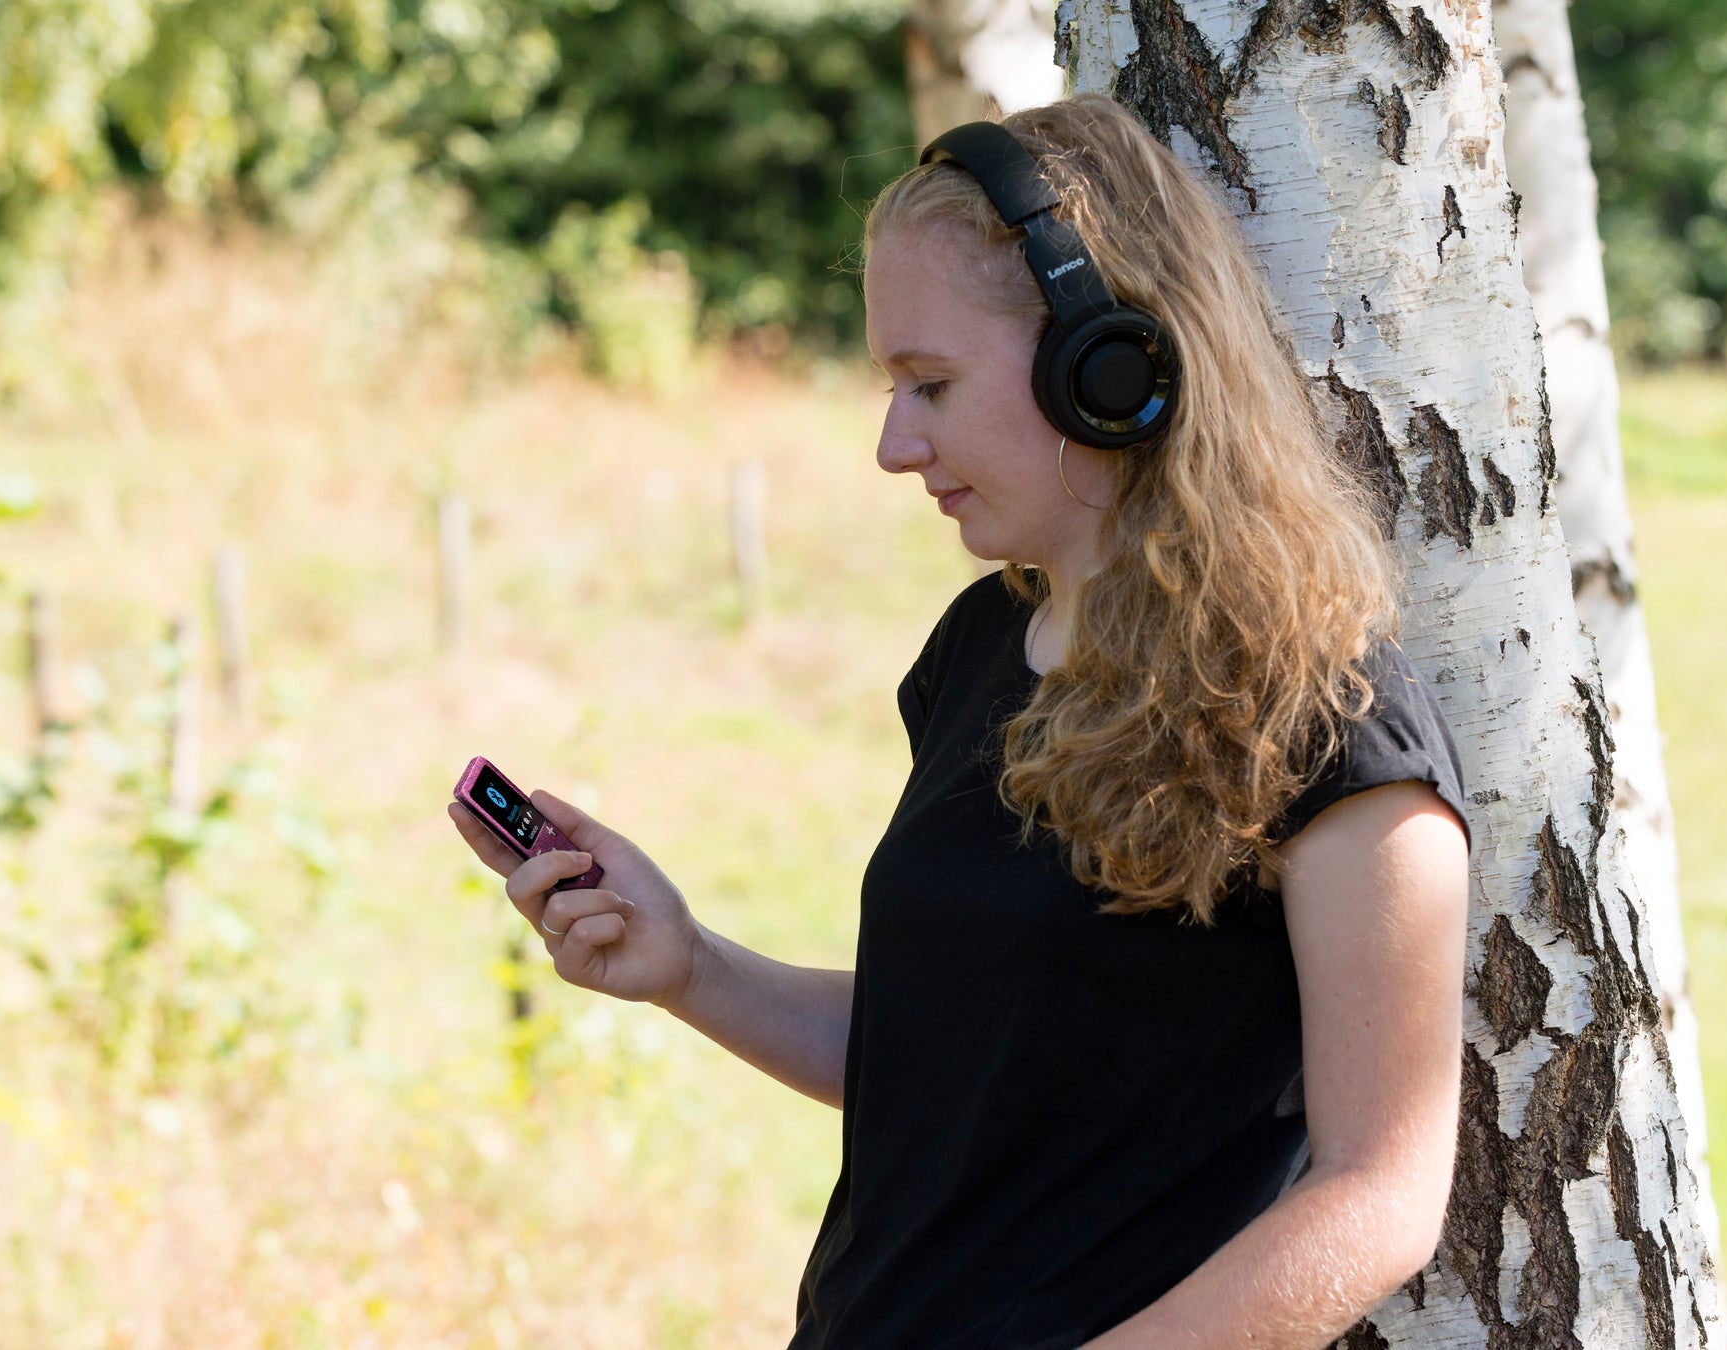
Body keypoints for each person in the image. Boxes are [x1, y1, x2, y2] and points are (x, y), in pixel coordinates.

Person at [449, 93, 1471, 1349]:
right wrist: (691, 967)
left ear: (1106, 366)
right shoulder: (978, 647)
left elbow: (1381, 1196)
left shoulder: (1330, 720)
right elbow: (952, 1069)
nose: (894, 444)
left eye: (929, 384)